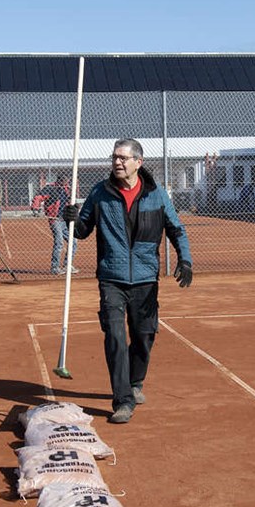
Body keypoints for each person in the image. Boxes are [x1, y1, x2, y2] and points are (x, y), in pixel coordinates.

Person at [63, 138, 193, 424]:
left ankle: (136, 382)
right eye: (114, 158)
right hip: (112, 277)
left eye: (123, 158)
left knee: (144, 335)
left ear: (138, 162)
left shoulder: (156, 195)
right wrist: (72, 219)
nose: (117, 162)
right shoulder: (100, 193)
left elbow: (176, 229)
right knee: (115, 337)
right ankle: (123, 400)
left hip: (146, 278)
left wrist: (185, 260)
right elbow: (83, 230)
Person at [31, 171, 78, 274]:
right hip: (54, 219)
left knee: (73, 242)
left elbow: (69, 201)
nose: (67, 182)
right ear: (60, 180)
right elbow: (38, 197)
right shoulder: (50, 188)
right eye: (65, 181)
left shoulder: (67, 189)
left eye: (68, 181)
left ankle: (67, 265)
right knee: (59, 242)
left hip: (65, 220)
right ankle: (55, 267)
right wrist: (36, 207)